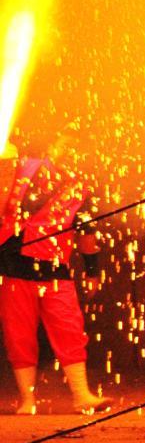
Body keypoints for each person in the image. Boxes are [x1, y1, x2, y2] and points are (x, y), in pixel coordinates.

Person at [0, 138, 110, 415]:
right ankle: (28, 401)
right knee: (19, 335)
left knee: (69, 329)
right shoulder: (18, 167)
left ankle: (81, 395)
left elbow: (87, 238)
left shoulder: (82, 190)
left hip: (54, 270)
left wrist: (93, 270)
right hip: (12, 266)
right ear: (54, 147)